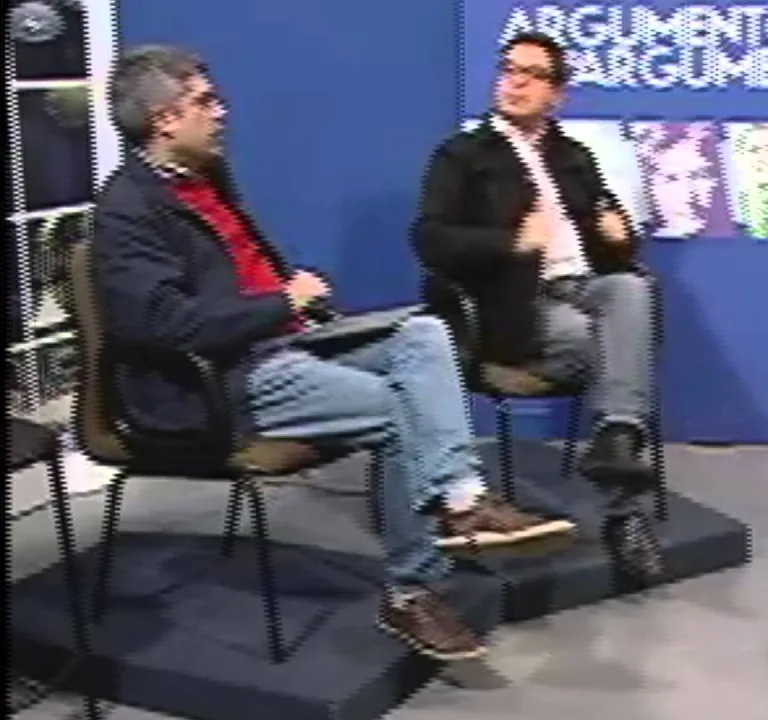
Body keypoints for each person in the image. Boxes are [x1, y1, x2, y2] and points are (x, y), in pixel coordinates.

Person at [93, 45, 576, 660]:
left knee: (425, 333)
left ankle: (461, 497)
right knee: (401, 408)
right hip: (218, 378)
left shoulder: (206, 176)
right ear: (165, 120)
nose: (222, 112)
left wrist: (291, 302)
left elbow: (237, 274)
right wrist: (281, 302)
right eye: (205, 102)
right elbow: (163, 326)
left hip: (281, 339)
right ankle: (411, 593)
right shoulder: (126, 211)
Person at [409, 32, 664, 579]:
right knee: (608, 345)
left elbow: (610, 240)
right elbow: (430, 240)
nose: (516, 82)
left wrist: (619, 237)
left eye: (533, 74)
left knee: (631, 290)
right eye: (509, 69)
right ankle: (624, 512)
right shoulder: (464, 155)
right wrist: (511, 243)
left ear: (558, 94)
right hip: (512, 305)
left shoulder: (573, 158)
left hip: (584, 289)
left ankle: (617, 437)